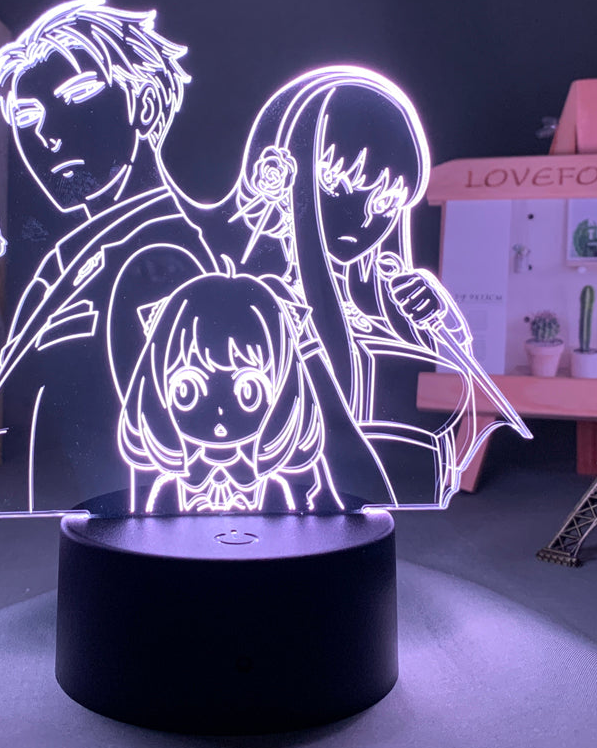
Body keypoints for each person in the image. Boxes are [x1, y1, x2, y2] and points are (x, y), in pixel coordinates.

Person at [0, 0, 215, 514]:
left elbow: (155, 451)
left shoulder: (165, 262)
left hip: (122, 529)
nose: (48, 136)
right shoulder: (73, 260)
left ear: (146, 105)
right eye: (26, 116)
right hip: (58, 531)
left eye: (78, 96)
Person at [225, 66, 529, 507]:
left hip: (391, 482)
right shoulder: (253, 295)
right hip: (286, 486)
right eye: (339, 186)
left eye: (385, 203)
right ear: (283, 175)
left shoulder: (384, 292)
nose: (365, 219)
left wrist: (438, 320)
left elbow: (457, 384)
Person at [117, 270, 342, 513]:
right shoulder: (170, 487)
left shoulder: (273, 487)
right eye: (187, 392)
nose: (220, 412)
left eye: (250, 393)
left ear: (286, 387)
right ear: (155, 385)